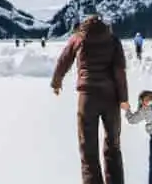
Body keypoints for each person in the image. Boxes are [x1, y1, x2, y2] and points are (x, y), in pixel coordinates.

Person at [51, 15, 129, 184]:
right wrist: (123, 98)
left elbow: (63, 60)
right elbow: (119, 70)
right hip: (110, 98)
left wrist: (56, 83)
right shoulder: (113, 40)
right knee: (113, 145)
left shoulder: (78, 38)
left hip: (87, 98)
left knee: (88, 149)